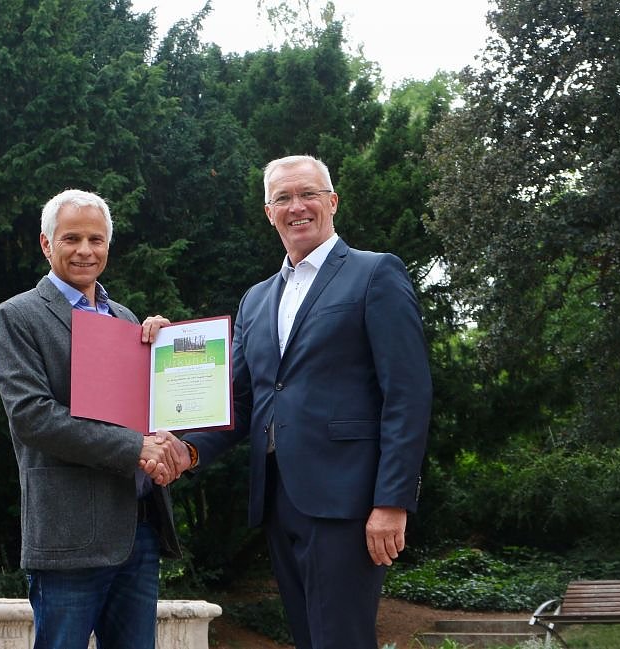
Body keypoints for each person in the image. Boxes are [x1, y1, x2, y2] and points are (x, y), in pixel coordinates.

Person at [179, 155, 432, 649]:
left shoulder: (375, 273)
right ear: (268, 213)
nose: (297, 206)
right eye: (283, 198)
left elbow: (407, 393)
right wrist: (185, 448)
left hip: (349, 500)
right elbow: (239, 402)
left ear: (332, 201)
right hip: (278, 498)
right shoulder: (255, 299)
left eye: (308, 194)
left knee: (341, 639)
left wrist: (392, 500)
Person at [0, 189, 190, 649]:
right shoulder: (18, 316)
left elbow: (144, 412)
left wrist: (168, 355)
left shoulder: (126, 318)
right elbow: (32, 416)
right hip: (69, 536)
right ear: (47, 244)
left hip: (138, 531)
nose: (85, 250)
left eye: (96, 240)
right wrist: (136, 448)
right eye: (72, 238)